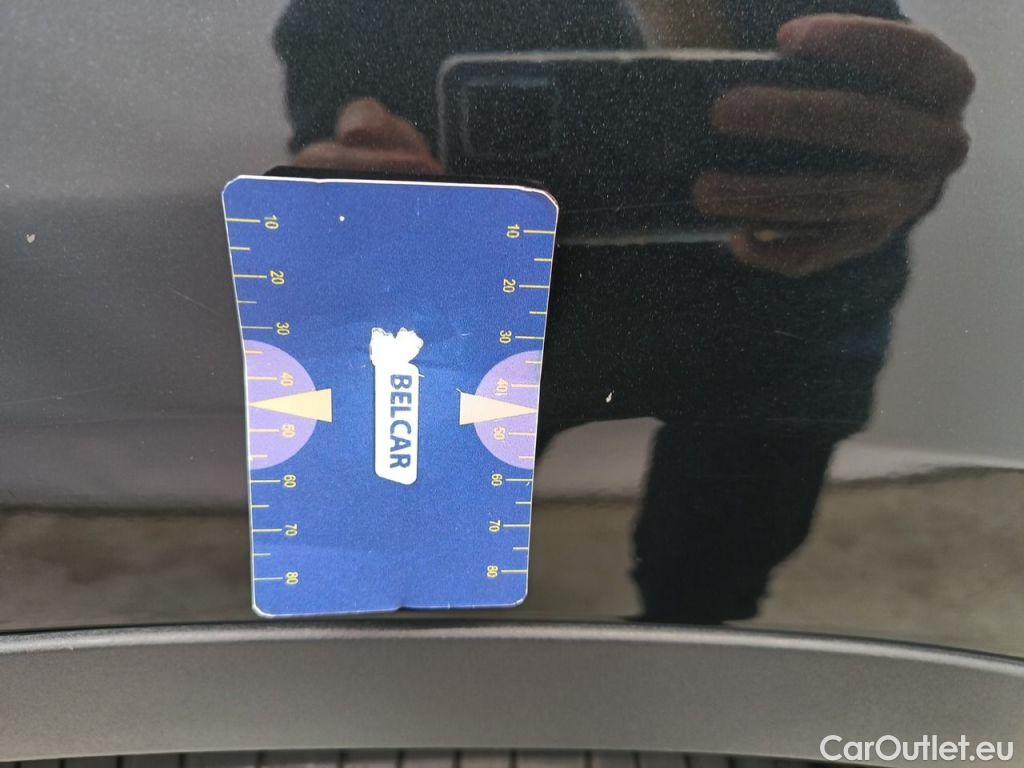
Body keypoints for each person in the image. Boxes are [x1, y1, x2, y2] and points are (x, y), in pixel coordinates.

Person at [273, 0, 974, 623]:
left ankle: (693, 623)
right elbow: (330, 50)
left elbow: (868, 96)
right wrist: (343, 148)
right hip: (501, 302)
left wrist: (900, 147)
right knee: (407, 563)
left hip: (769, 309)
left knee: (717, 570)